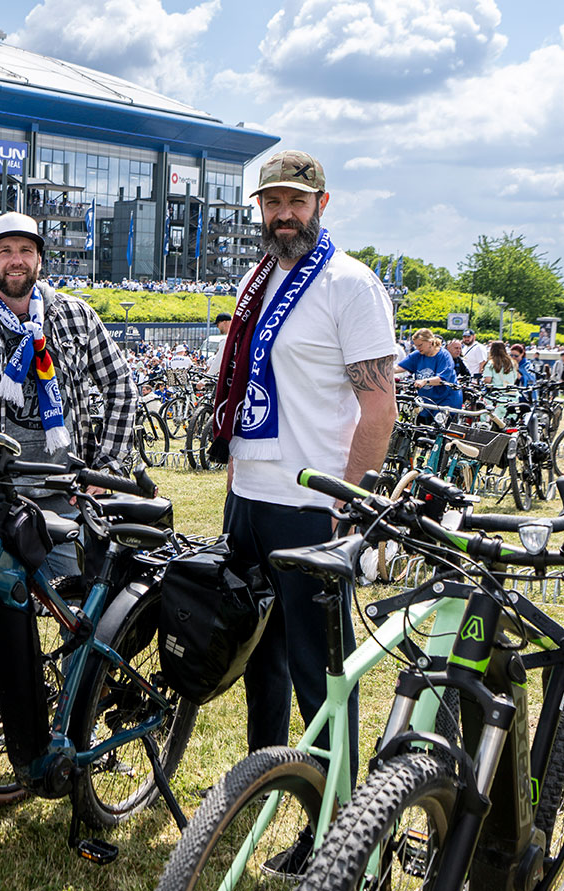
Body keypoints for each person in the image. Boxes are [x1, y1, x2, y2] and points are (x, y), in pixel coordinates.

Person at [0, 209, 137, 787]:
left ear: (40, 257)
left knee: (83, 622)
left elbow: (121, 382)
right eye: (4, 251)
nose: (15, 261)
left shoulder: (72, 317)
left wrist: (108, 466)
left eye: (25, 250)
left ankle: (80, 728)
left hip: (67, 495)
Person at [206, 149, 397, 758]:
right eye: (272, 202)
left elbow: (379, 407)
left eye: (296, 201)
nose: (284, 214)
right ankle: (261, 781)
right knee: (260, 661)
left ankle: (330, 818)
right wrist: (236, 469)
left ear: (321, 204)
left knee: (320, 675)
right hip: (251, 500)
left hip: (313, 506)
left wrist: (354, 498)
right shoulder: (254, 280)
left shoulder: (350, 284)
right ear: (258, 209)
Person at [396, 329, 461, 421]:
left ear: (430, 342)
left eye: (420, 345)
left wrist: (424, 381)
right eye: (416, 345)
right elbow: (400, 367)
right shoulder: (418, 355)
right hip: (427, 399)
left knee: (439, 430)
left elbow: (442, 379)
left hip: (446, 399)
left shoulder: (444, 356)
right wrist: (384, 371)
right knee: (419, 428)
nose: (418, 348)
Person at [482, 341, 519, 424]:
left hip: (495, 398)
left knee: (489, 422)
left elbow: (488, 380)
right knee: (508, 422)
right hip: (511, 396)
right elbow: (514, 378)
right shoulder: (512, 363)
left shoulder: (491, 363)